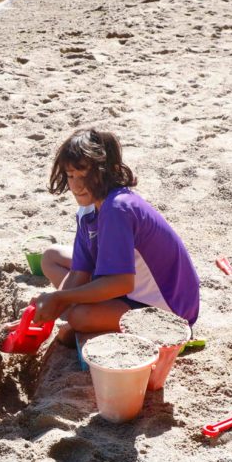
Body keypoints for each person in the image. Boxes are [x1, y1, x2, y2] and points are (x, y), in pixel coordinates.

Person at [32, 129, 200, 342]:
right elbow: (79, 274)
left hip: (168, 309)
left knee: (79, 316)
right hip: (129, 289)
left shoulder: (117, 208)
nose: (75, 186)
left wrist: (59, 299)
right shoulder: (89, 209)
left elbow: (121, 283)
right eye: (71, 175)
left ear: (107, 170)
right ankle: (88, 318)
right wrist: (39, 315)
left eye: (84, 175)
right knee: (51, 257)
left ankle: (97, 326)